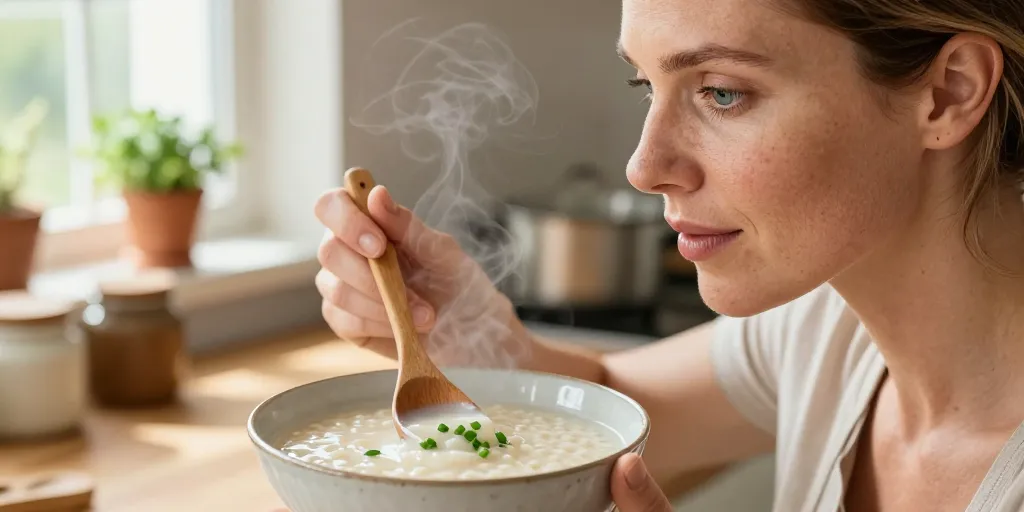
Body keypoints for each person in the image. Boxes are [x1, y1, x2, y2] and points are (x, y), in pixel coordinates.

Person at [313, 0, 1024, 510]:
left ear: (947, 92)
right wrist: (468, 328)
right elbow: (609, 400)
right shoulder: (825, 329)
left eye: (721, 93)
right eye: (648, 86)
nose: (644, 166)